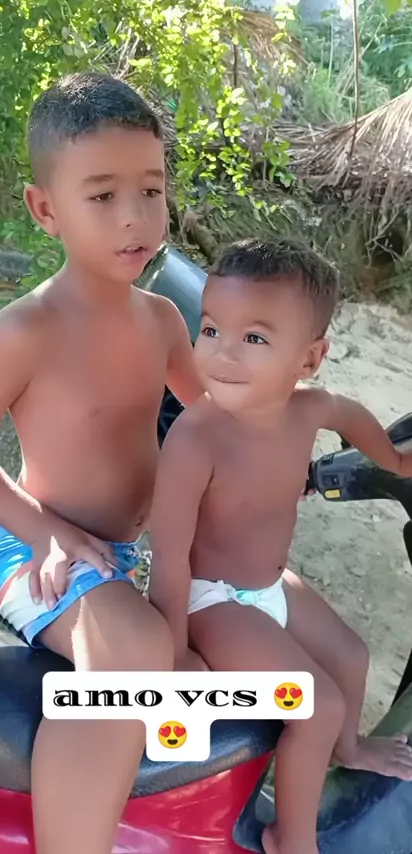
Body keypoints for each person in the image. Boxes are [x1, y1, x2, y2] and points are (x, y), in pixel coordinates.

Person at [0, 72, 205, 854]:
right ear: (45, 208)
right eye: (103, 195)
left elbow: (215, 420)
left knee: (252, 630)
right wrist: (42, 530)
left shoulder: (163, 320)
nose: (134, 217)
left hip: (124, 556)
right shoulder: (26, 331)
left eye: (151, 190)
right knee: (136, 655)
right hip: (36, 553)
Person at [148, 237, 412, 854]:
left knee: (351, 657)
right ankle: (289, 837)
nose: (222, 352)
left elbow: (350, 416)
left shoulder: (308, 409)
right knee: (315, 705)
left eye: (254, 338)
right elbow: (169, 556)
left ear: (309, 358)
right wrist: (175, 654)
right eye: (211, 329)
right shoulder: (196, 438)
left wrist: (395, 460)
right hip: (210, 600)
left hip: (269, 584)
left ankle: (347, 751)